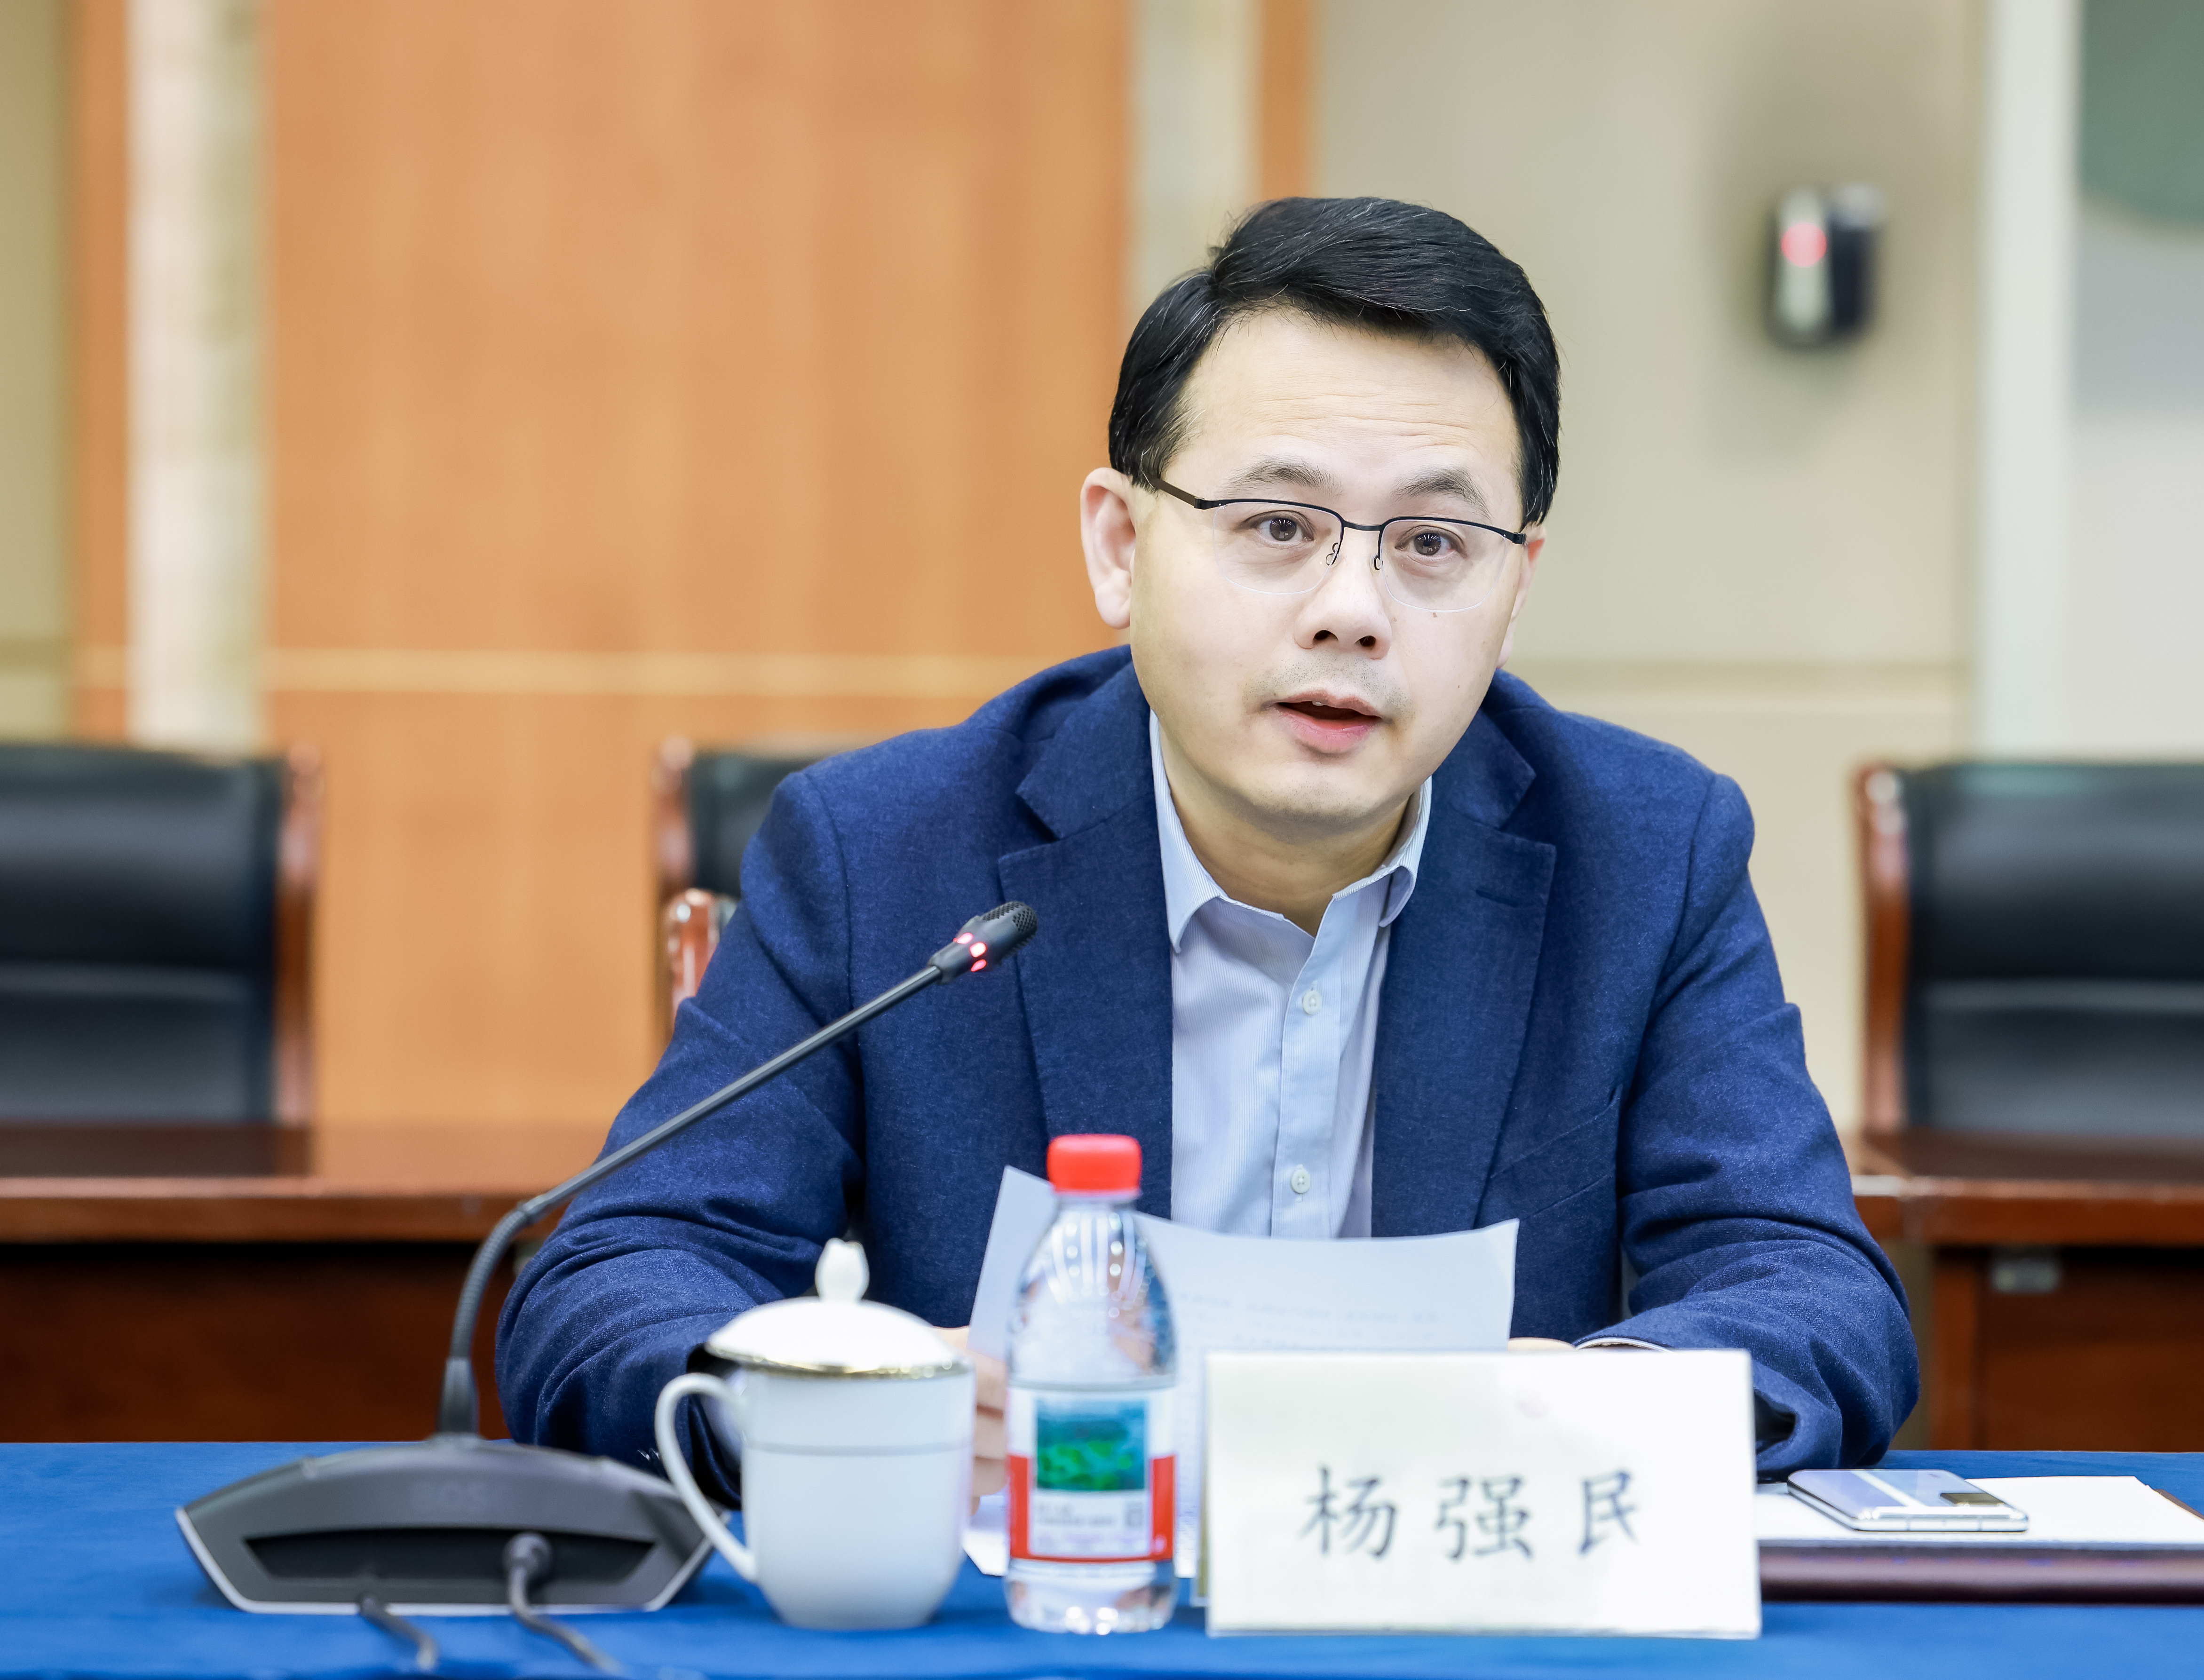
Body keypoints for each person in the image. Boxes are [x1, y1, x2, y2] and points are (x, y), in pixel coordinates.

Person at [500, 197, 1918, 1499]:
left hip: (1449, 1611)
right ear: (1120, 547)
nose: (1352, 609)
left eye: (1434, 544)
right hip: (1036, 1613)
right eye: (1278, 525)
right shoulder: (885, 853)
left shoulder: (1645, 854)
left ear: (1515, 585)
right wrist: (844, 1401)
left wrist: (1595, 1404)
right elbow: (614, 1282)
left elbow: (1811, 1289)